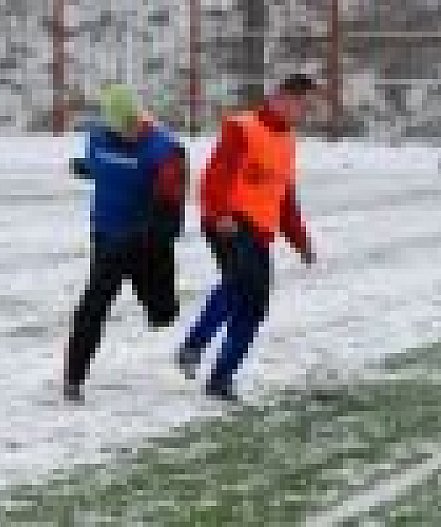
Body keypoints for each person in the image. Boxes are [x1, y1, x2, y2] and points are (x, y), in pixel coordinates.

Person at [177, 74, 318, 401]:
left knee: (254, 304)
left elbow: (285, 197)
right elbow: (214, 177)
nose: (305, 112)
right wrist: (220, 214)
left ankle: (220, 378)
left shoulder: (288, 141)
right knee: (241, 282)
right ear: (282, 98)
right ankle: (194, 346)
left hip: (259, 230)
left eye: (309, 107)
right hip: (230, 222)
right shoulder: (242, 128)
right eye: (303, 105)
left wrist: (300, 240)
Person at [65, 84, 187, 401]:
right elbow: (103, 166)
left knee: (163, 314)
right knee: (94, 304)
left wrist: (150, 236)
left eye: (134, 122)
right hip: (107, 237)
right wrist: (85, 168)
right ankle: (73, 378)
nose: (130, 130)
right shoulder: (96, 137)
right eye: (122, 126)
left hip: (149, 243)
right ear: (109, 124)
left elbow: (171, 212)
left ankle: (161, 309)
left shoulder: (166, 151)